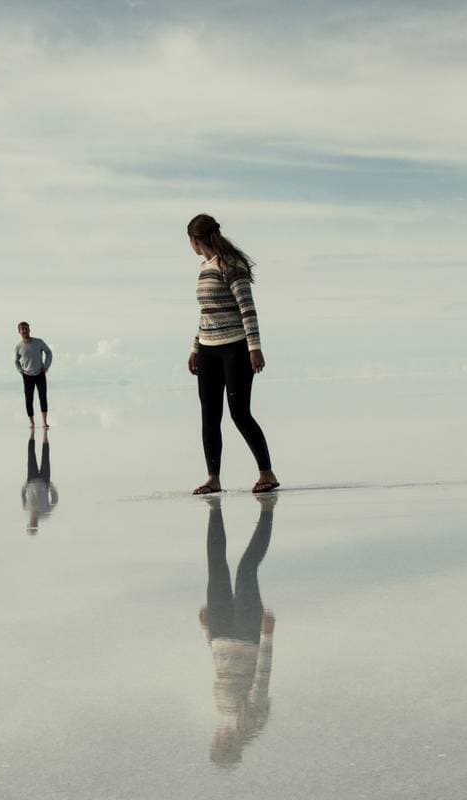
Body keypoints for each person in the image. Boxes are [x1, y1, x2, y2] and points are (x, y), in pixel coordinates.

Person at [186, 214, 279, 494]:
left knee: (240, 413)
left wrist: (254, 348)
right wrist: (194, 347)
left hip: (235, 348)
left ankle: (267, 473)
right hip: (208, 350)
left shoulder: (231, 265)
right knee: (210, 416)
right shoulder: (205, 268)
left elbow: (247, 307)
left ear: (194, 240)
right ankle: (213, 478)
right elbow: (206, 314)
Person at [199, 493, 277, 768]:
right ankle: (267, 515)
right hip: (246, 635)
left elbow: (221, 670)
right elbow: (261, 679)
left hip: (220, 634)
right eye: (216, 744)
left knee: (215, 566)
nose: (213, 738)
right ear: (227, 747)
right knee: (246, 570)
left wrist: (206, 632)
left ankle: (214, 513)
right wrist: (267, 637)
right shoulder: (250, 724)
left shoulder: (224, 713)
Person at [14, 321, 53, 430]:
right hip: (27, 375)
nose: (25, 331)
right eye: (22, 329)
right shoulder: (18, 346)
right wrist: (21, 371)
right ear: (19, 332)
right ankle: (32, 423)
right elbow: (16, 361)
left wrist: (46, 366)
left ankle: (44, 422)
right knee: (29, 399)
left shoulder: (38, 342)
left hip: (40, 373)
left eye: (26, 328)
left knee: (42, 397)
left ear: (29, 329)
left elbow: (49, 353)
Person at [21, 432, 58, 535]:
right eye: (33, 525)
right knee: (45, 455)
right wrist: (50, 486)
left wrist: (26, 485)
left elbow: (23, 496)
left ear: (28, 524)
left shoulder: (26, 509)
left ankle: (32, 434)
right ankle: (45, 435)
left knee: (30, 453)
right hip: (44, 480)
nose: (32, 523)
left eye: (31, 525)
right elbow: (54, 500)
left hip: (32, 479)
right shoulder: (45, 513)